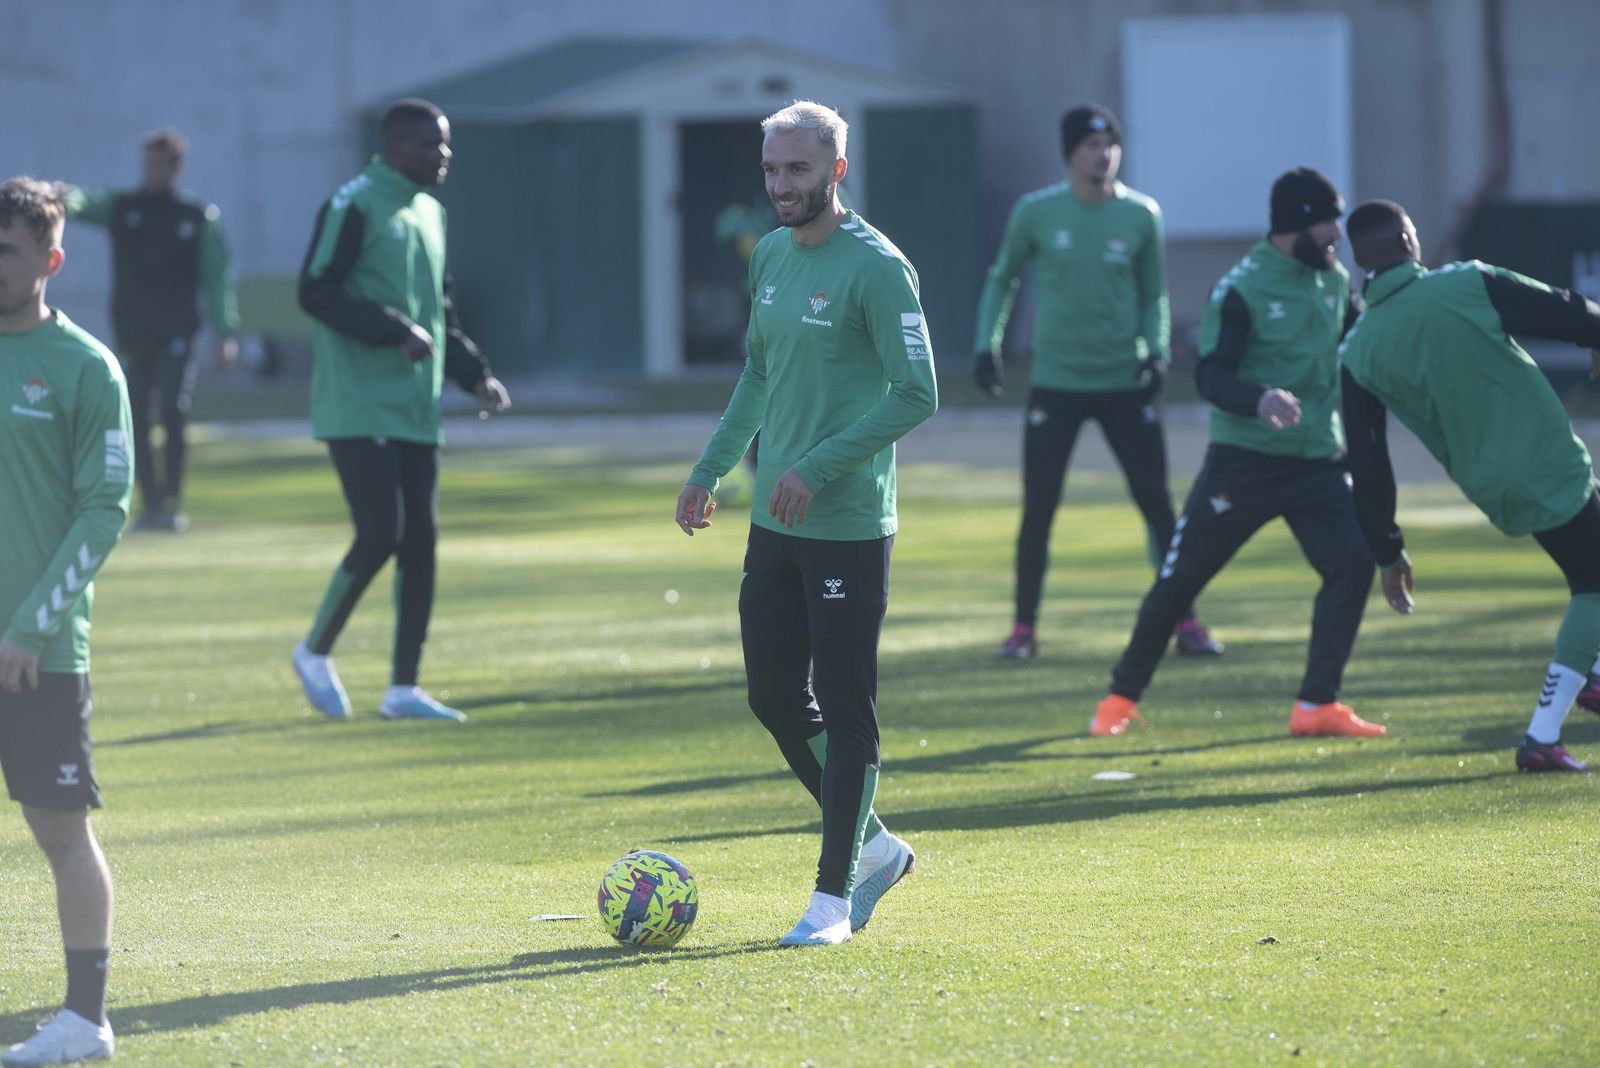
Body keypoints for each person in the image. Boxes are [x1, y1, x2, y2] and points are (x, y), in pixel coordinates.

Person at [675, 101, 936, 946]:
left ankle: (832, 902)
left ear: (836, 170)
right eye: (771, 170)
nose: (782, 185)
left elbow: (919, 393)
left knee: (847, 708)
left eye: (798, 169)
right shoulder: (772, 256)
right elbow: (758, 374)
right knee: (772, 695)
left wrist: (817, 466)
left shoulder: (879, 268)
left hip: (848, 522)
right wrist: (711, 468)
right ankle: (877, 848)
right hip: (776, 523)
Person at [1092, 167, 1384, 739]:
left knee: (1352, 563)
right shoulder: (1241, 288)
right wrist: (1259, 398)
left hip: (1318, 461)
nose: (1338, 234)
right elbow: (1210, 375)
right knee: (1180, 581)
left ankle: (1317, 704)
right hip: (1244, 462)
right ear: (1296, 222)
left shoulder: (1334, 280)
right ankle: (1119, 700)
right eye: (1329, 221)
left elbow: (1362, 346)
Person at [1341, 199, 1600, 771]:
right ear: (1408, 241)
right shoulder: (1465, 283)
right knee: (1594, 584)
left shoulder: (1357, 350)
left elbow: (1368, 463)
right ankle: (1542, 736)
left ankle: (1594, 671)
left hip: (1489, 482)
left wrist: (1388, 552)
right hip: (1544, 459)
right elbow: (1563, 310)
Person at [975, 104, 1221, 662]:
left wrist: (1155, 351)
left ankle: (1185, 621)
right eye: (1092, 144)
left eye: (1111, 143)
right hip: (1056, 382)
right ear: (1070, 153)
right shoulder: (1036, 212)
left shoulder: (1141, 215)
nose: (1104, 153)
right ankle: (1023, 629)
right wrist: (987, 344)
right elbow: (1002, 277)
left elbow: (1153, 293)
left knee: (1157, 505)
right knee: (1039, 508)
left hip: (1123, 381)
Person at [291, 98, 510, 723]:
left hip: (415, 406)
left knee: (421, 543)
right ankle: (313, 651)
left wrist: (476, 376)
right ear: (394, 147)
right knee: (380, 533)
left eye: (446, 144)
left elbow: (440, 311)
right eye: (430, 144)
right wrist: (393, 330)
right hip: (358, 402)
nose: (443, 155)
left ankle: (403, 689)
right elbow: (315, 290)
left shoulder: (430, 213)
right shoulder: (354, 203)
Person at [0, 178, 132, 1066]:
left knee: (59, 832)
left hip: (35, 652)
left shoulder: (86, 367)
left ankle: (86, 1020)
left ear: (50, 260)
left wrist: (30, 628)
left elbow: (104, 510)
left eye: (6, 251)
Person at [64, 129, 240, 533]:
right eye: (148, 163)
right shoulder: (123, 207)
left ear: (176, 168)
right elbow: (80, 201)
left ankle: (172, 502)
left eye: (160, 164)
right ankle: (150, 503)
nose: (152, 171)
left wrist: (225, 332)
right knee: (137, 415)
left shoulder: (196, 215)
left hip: (178, 330)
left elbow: (218, 277)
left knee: (173, 408)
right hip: (134, 329)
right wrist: (55, 196)